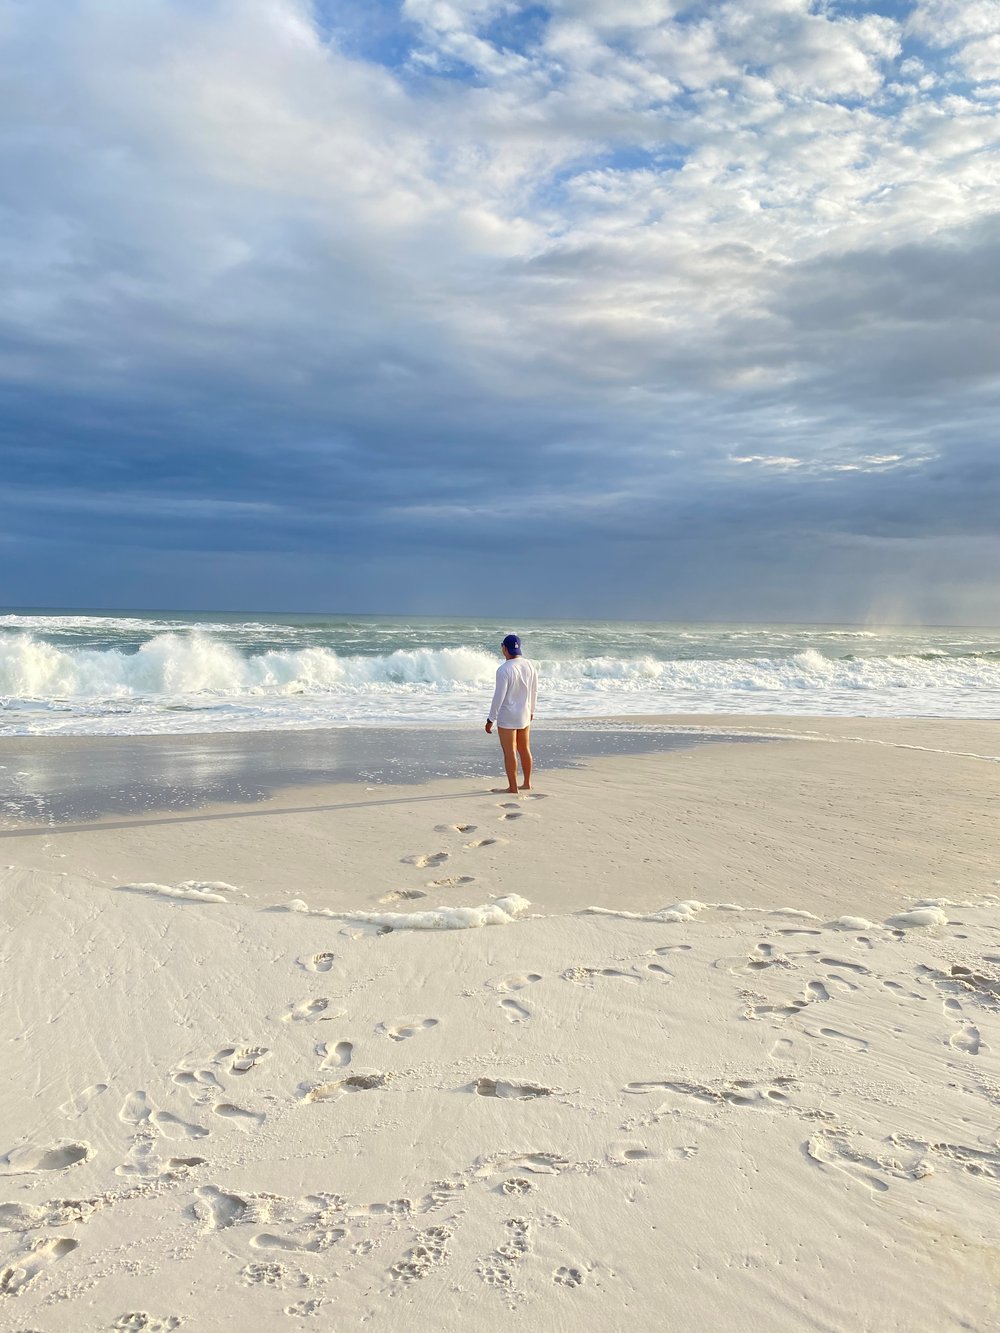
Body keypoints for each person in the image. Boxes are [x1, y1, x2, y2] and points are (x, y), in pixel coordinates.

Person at [485, 633, 537, 794]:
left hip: (508, 715)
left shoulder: (504, 670)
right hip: (524, 712)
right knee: (524, 748)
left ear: (504, 649)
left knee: (509, 751)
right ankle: (527, 783)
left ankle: (513, 787)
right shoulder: (529, 665)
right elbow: (534, 690)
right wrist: (532, 710)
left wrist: (490, 719)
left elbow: (498, 697)